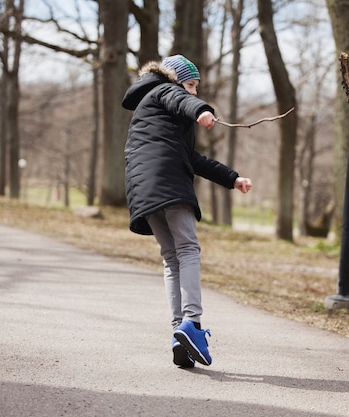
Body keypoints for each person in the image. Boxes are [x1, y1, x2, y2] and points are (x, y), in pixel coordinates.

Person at [121, 54, 252, 369]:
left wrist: (232, 178)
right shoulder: (165, 90)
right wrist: (202, 110)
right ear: (176, 79)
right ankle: (191, 322)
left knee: (171, 257)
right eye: (191, 85)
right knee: (188, 248)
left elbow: (192, 158)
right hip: (166, 180)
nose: (192, 91)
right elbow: (183, 100)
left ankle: (179, 330)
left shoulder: (150, 109)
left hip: (142, 188)